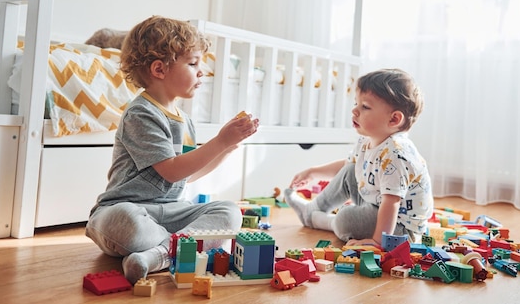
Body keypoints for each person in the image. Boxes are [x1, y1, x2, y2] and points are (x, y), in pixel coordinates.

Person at [85, 16, 259, 284]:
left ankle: (157, 256)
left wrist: (225, 149)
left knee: (229, 212)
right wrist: (219, 142)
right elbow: (171, 171)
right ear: (159, 69)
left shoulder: (185, 119)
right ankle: (178, 249)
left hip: (172, 212)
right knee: (125, 219)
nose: (201, 71)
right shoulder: (141, 113)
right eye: (193, 63)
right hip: (129, 209)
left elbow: (186, 176)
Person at [284, 68, 433, 247]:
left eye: (365, 107)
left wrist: (377, 242)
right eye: (356, 103)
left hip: (399, 229)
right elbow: (350, 166)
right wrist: (314, 172)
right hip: (377, 204)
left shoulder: (397, 154)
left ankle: (324, 221)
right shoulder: (366, 140)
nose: (355, 110)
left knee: (345, 219)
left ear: (394, 120)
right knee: (350, 170)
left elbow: (391, 203)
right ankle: (312, 211)